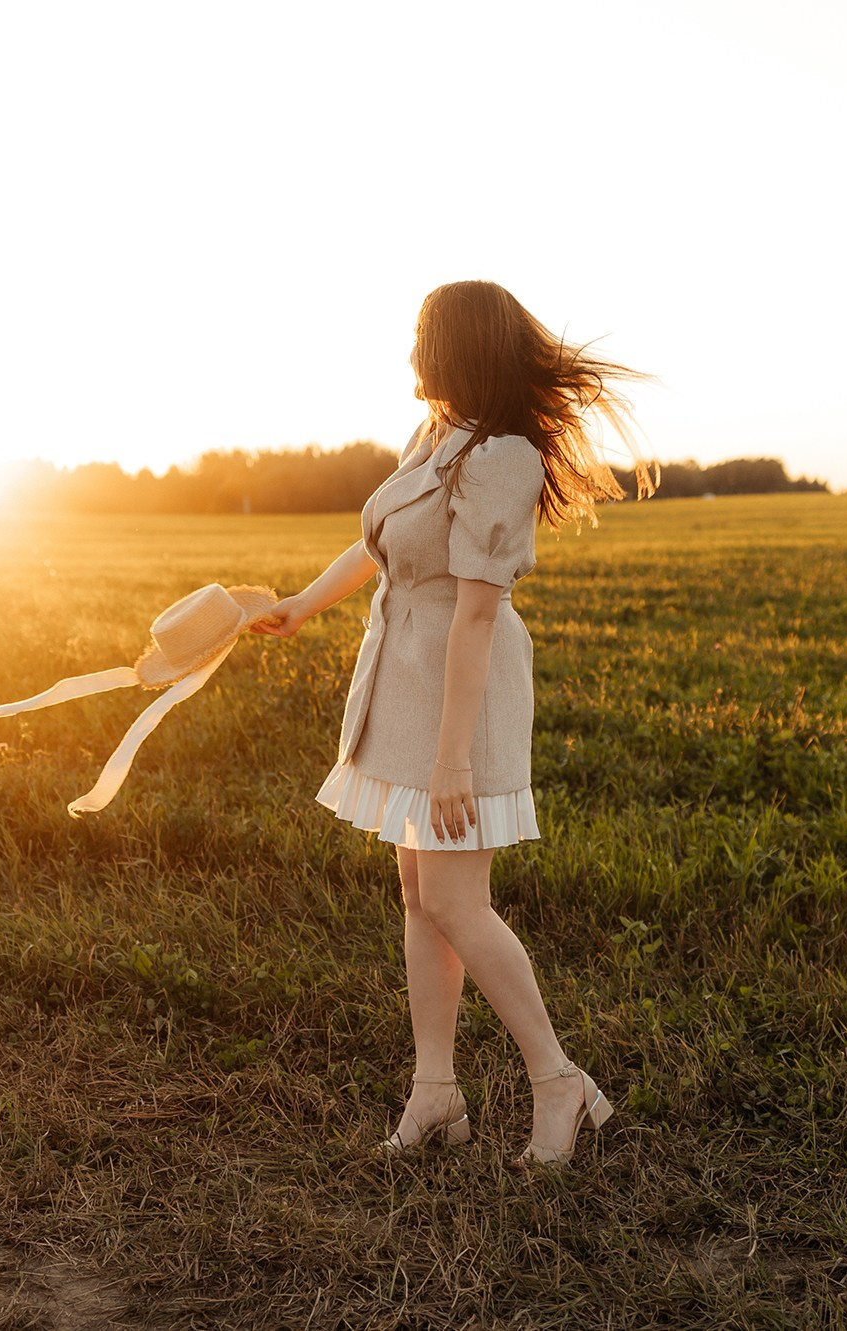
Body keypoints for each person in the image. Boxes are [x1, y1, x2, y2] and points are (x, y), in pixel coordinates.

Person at [249, 280, 652, 1167]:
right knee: (418, 897)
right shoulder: (435, 436)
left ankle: (559, 1081)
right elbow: (377, 545)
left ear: (458, 346)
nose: (410, 355)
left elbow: (476, 615)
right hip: (403, 685)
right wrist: (301, 606)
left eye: (421, 338)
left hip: (460, 704)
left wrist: (453, 763)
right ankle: (436, 1090)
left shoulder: (504, 457)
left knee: (457, 901)